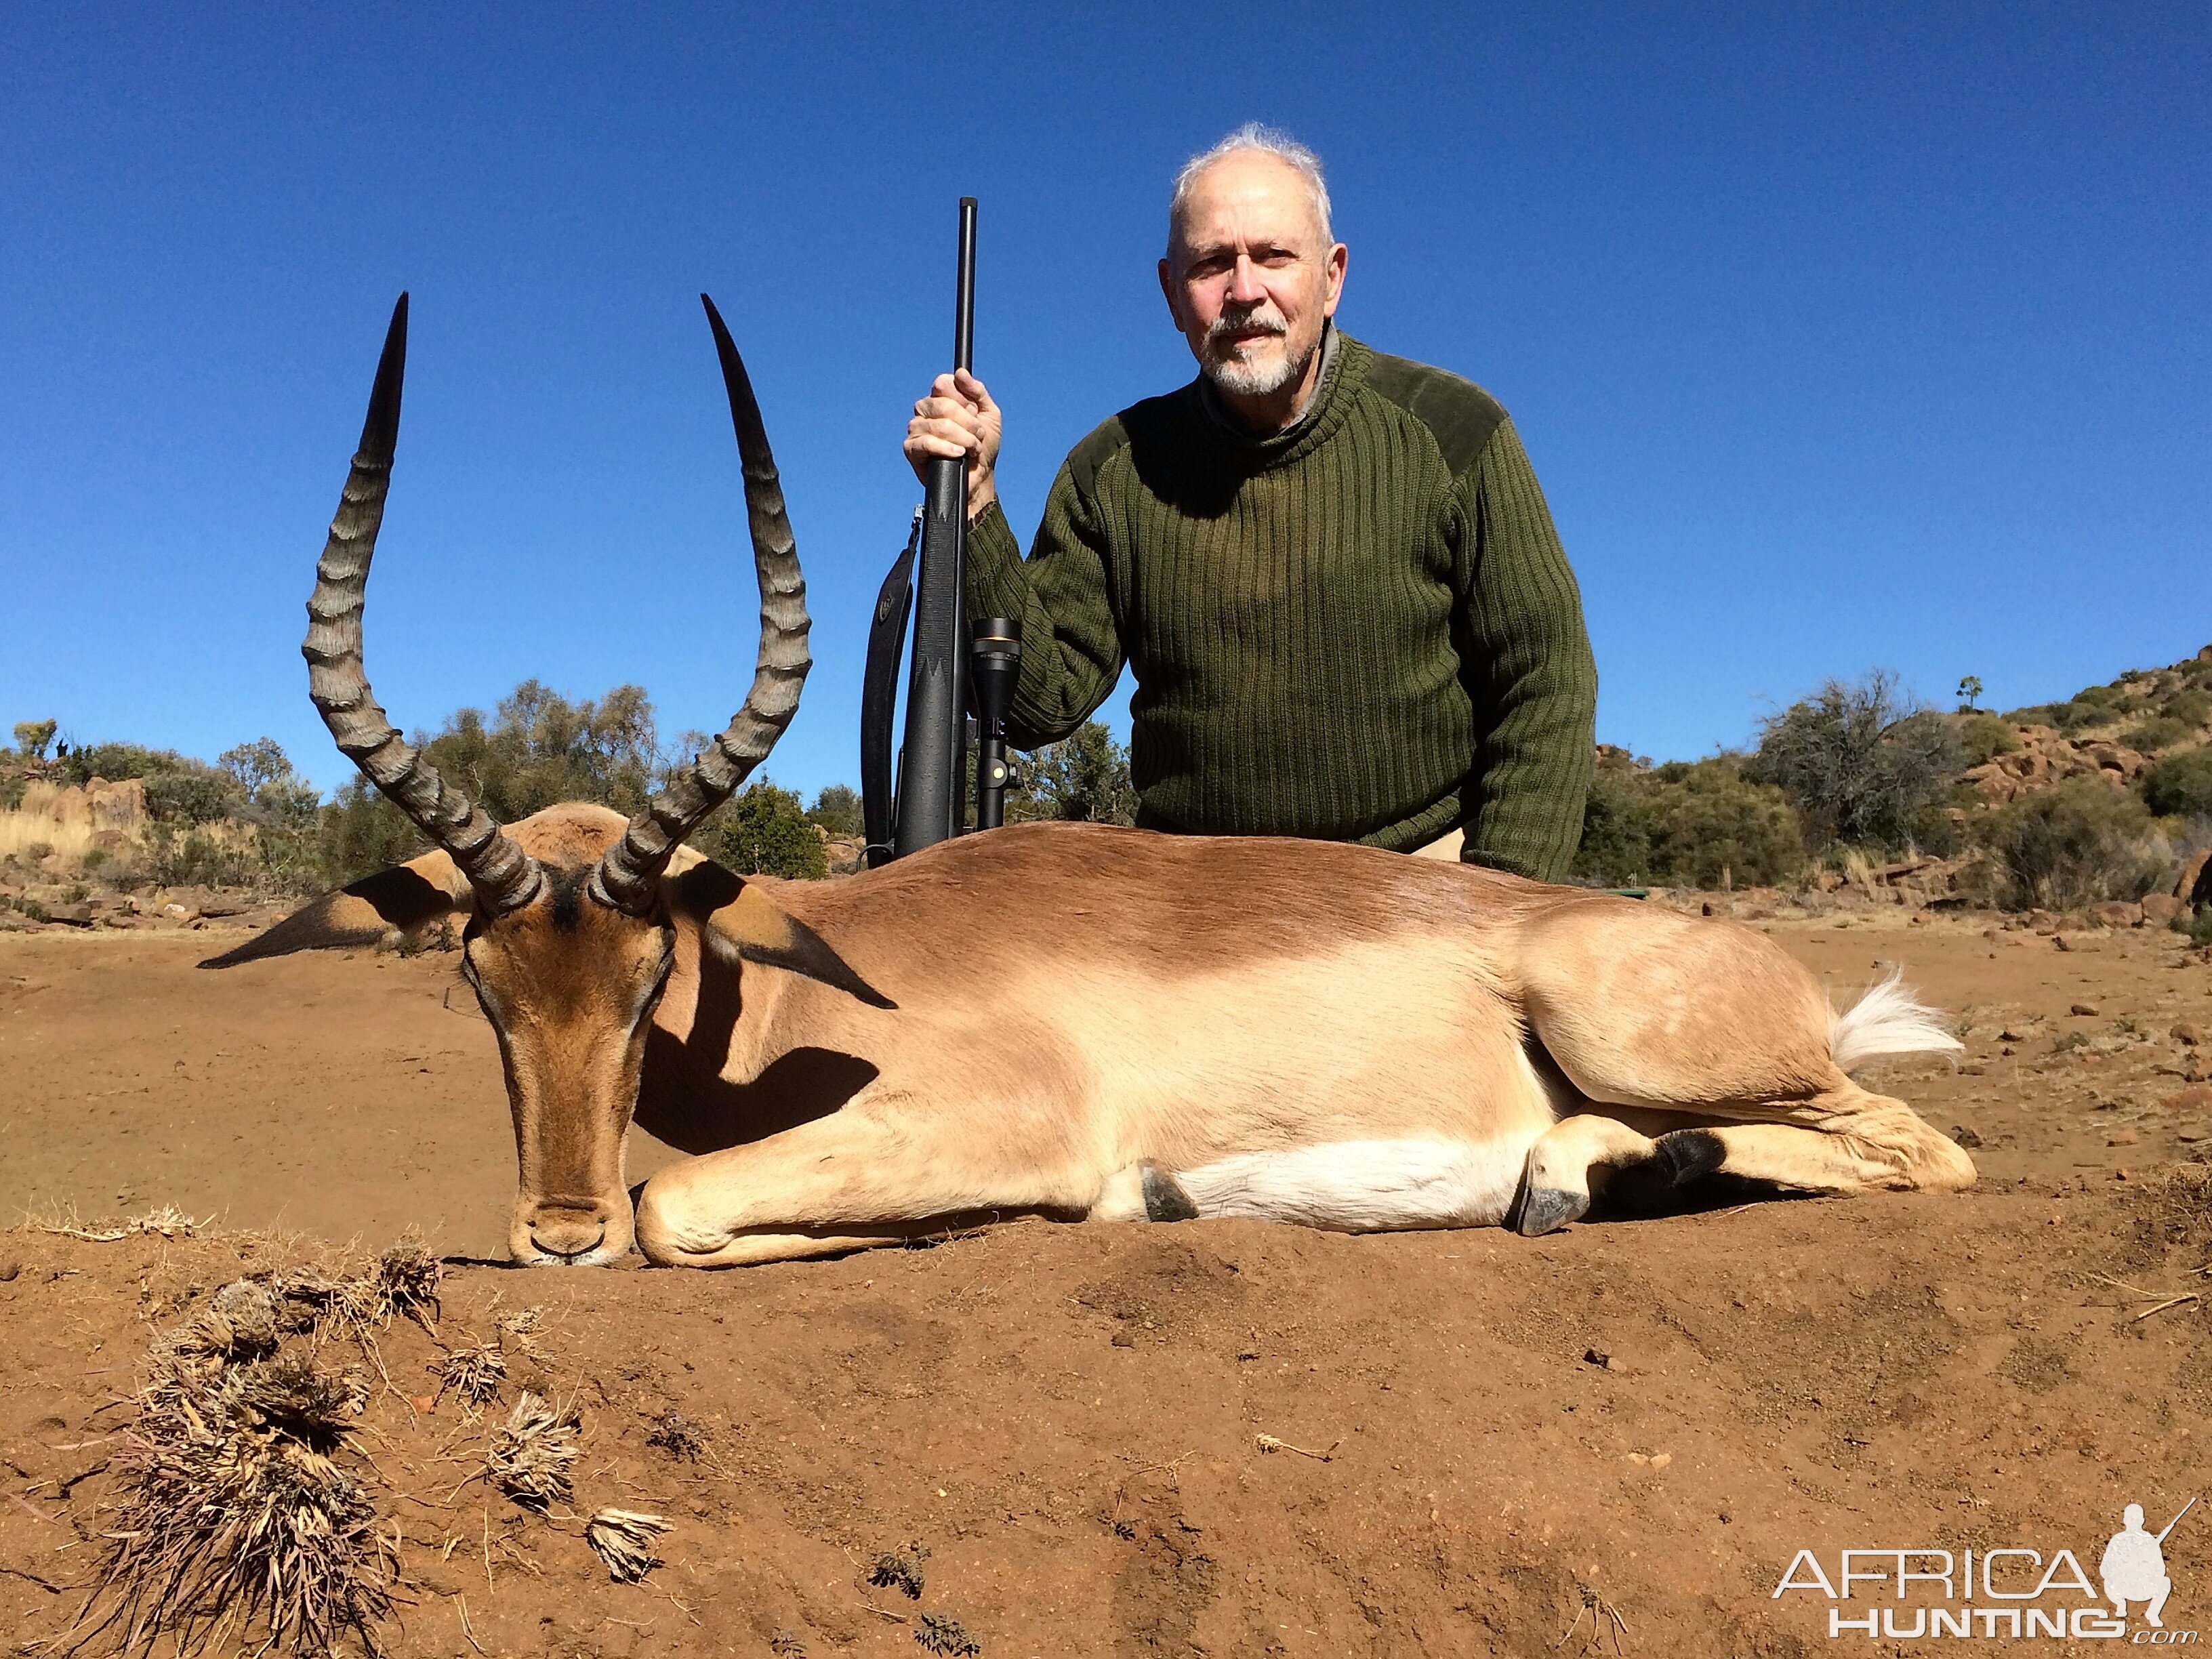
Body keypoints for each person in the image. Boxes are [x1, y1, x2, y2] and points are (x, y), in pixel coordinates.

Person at [903, 124, 1597, 880]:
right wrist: (971, 503)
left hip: (1418, 884)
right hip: (1193, 898)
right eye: (1211, 264)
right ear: (1172, 294)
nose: (1244, 291)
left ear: (1331, 278)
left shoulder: (1455, 430)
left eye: (1273, 256)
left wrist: (1498, 901)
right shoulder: (1113, 469)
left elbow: (1545, 676)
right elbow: (1036, 707)